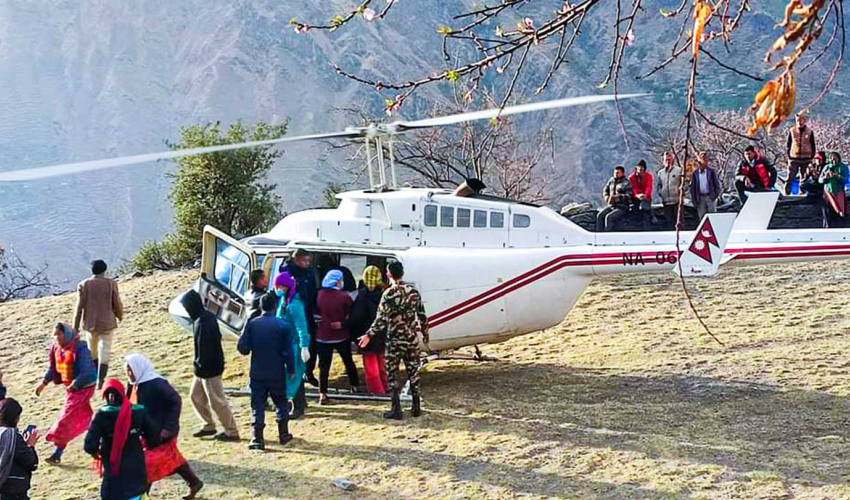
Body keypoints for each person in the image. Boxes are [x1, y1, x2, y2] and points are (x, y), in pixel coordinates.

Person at [125, 354, 203, 499]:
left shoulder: (157, 383)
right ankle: (194, 482)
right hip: (146, 431)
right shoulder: (133, 384)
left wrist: (168, 427)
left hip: (162, 431)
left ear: (138, 368)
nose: (128, 373)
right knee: (170, 459)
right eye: (127, 370)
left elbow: (176, 401)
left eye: (130, 369)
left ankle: (142, 495)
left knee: (148, 463)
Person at [359, 262, 429, 420]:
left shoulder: (388, 294)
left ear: (389, 274)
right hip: (411, 338)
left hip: (395, 340)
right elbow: (422, 315)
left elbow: (381, 320)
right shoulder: (413, 291)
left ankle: (396, 409)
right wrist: (425, 334)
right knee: (413, 372)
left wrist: (368, 335)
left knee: (392, 374)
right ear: (402, 273)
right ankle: (416, 407)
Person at [237, 293, 296, 450]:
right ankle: (283, 434)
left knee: (257, 405)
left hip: (258, 371)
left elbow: (242, 348)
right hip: (277, 371)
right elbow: (288, 351)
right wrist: (291, 369)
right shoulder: (283, 325)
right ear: (274, 306)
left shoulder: (252, 324)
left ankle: (257, 438)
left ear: (260, 307)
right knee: (281, 403)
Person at [84, 378, 156, 500]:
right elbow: (153, 435)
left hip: (113, 468)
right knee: (135, 494)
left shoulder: (102, 415)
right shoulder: (139, 412)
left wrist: (95, 453)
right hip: (136, 465)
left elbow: (90, 446)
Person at [35, 323, 96, 465]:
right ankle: (93, 428)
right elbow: (53, 369)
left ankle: (58, 447)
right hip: (72, 389)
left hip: (84, 387)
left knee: (66, 419)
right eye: (55, 335)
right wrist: (43, 383)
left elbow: (87, 371)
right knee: (74, 418)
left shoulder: (80, 348)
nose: (57, 338)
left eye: (59, 334)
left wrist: (75, 384)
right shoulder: (57, 349)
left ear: (66, 333)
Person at [181, 290, 239, 442]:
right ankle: (208, 425)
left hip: (208, 369)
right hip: (204, 368)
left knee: (217, 401)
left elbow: (205, 349)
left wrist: (200, 367)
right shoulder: (205, 317)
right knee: (195, 396)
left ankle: (231, 431)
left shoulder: (202, 322)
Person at [73, 260, 124, 389]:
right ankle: (101, 380)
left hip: (90, 324)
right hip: (107, 323)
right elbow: (116, 303)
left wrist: (75, 327)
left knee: (92, 351)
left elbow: (79, 308)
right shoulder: (111, 284)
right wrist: (120, 315)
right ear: (104, 270)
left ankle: (94, 377)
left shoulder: (84, 284)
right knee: (104, 350)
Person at [316, 270, 360, 404]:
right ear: (337, 282)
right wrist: (343, 323)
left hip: (323, 335)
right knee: (348, 361)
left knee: (323, 366)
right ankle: (355, 386)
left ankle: (322, 394)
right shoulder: (344, 296)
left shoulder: (319, 295)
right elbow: (351, 314)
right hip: (341, 335)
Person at [273, 271, 311, 419]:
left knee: (295, 375)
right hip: (284, 344)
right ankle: (297, 403)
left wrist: (304, 346)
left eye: (280, 286)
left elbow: (301, 327)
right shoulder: (284, 301)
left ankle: (298, 406)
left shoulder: (294, 305)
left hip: (293, 346)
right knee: (291, 375)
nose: (278, 289)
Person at [346, 266, 387, 395]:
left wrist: (347, 326)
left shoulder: (362, 295)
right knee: (382, 362)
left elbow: (357, 316)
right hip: (382, 333)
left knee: (371, 364)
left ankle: (377, 390)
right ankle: (386, 386)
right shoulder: (385, 293)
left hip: (366, 334)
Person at [282, 250, 319, 387]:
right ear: (295, 259)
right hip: (294, 309)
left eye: (309, 261)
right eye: (305, 260)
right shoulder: (287, 272)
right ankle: (294, 373)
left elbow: (313, 291)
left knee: (311, 343)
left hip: (307, 310)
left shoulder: (309, 272)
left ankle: (308, 372)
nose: (307, 263)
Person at [0, 398, 39, 500]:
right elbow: (31, 462)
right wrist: (30, 445)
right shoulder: (12, 436)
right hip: (12, 490)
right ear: (15, 418)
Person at [785, 112, 817, 195]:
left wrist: (812, 156)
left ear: (804, 121)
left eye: (801, 120)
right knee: (790, 176)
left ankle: (802, 192)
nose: (799, 122)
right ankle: (787, 192)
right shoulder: (792, 131)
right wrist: (789, 155)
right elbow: (788, 144)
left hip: (806, 158)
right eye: (797, 120)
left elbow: (813, 144)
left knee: (804, 177)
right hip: (794, 157)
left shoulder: (810, 131)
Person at [596, 166, 632, 232]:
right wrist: (606, 196)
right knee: (600, 215)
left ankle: (607, 234)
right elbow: (605, 190)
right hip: (611, 206)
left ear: (622, 173)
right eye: (615, 173)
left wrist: (618, 197)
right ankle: (599, 233)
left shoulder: (626, 183)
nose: (616, 174)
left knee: (609, 217)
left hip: (622, 207)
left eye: (618, 173)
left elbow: (629, 196)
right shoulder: (611, 181)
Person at [819, 151, 848, 228]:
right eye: (832, 159)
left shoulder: (843, 167)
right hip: (828, 193)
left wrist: (837, 176)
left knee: (840, 212)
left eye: (835, 159)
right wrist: (826, 177)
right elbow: (820, 180)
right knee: (828, 213)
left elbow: (845, 180)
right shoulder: (827, 167)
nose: (833, 161)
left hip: (839, 192)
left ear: (838, 159)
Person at [689, 152, 722, 219]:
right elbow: (693, 188)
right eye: (700, 161)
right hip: (700, 198)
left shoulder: (711, 171)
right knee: (702, 217)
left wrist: (715, 196)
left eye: (704, 160)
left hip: (710, 197)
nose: (702, 163)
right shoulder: (695, 173)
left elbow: (717, 185)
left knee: (713, 217)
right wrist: (694, 200)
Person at [656, 151, 683, 229]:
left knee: (679, 222)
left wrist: (680, 192)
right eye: (666, 160)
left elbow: (684, 184)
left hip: (677, 201)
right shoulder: (660, 173)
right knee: (669, 222)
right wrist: (661, 193)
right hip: (666, 202)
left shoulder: (679, 170)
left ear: (672, 160)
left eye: (669, 159)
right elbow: (658, 185)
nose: (667, 161)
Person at [628, 160, 653, 230]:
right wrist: (637, 195)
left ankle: (647, 228)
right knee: (635, 211)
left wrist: (645, 195)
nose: (640, 171)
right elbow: (633, 187)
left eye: (642, 169)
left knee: (646, 211)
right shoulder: (632, 177)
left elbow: (649, 186)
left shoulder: (648, 176)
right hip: (635, 198)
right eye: (639, 169)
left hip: (646, 198)